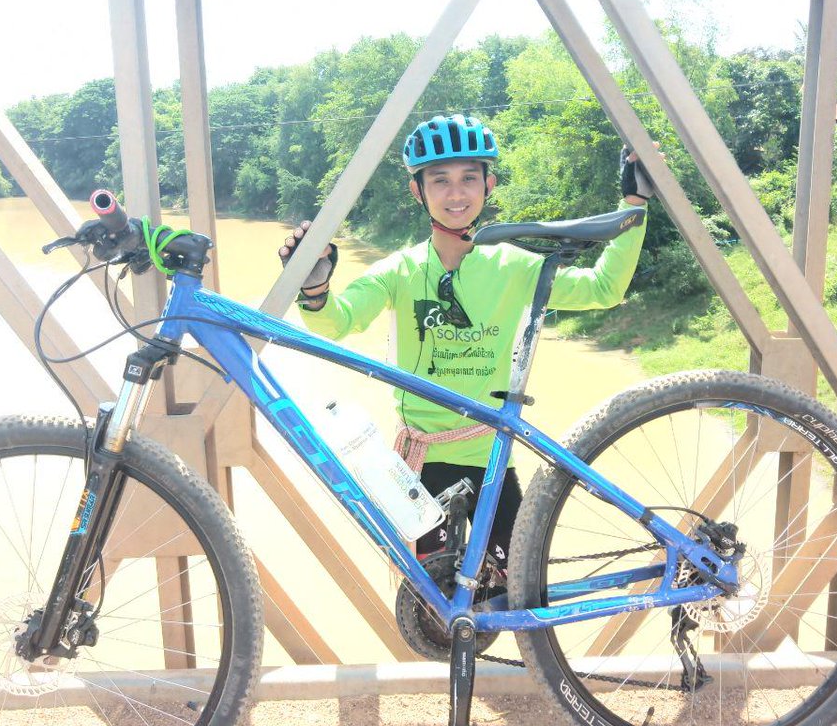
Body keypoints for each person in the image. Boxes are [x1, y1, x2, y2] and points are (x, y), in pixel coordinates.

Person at [279, 114, 651, 581]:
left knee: (516, 591)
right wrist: (315, 290)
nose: (456, 193)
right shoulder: (399, 271)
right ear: (418, 191)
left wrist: (634, 204)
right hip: (421, 465)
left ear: (488, 185)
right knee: (429, 599)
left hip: (491, 459)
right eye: (440, 180)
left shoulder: (514, 267)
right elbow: (338, 322)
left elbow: (603, 288)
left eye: (468, 178)